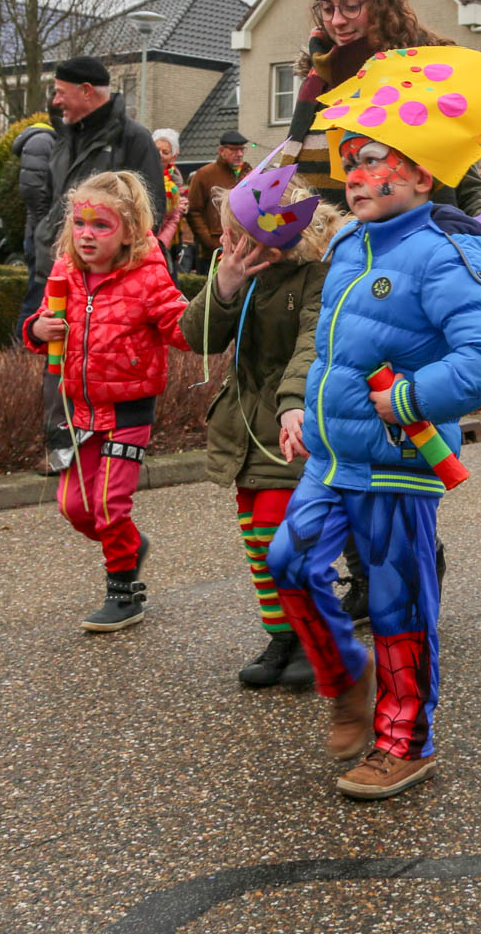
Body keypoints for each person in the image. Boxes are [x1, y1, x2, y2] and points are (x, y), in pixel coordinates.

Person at [264, 45, 481, 802]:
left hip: (397, 464)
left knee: (397, 606)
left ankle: (405, 742)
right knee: (288, 564)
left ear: (421, 175)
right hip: (332, 457)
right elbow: (328, 345)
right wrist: (301, 406)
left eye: (375, 161)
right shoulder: (348, 243)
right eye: (350, 161)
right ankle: (347, 678)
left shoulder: (442, 254)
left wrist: (409, 400)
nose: (356, 175)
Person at [178, 167, 341, 689]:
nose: (228, 241)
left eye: (237, 232)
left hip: (291, 429)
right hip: (244, 426)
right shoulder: (240, 271)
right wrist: (224, 285)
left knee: (283, 536)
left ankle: (316, 636)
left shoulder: (318, 274)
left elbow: (314, 344)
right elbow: (199, 338)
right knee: (256, 539)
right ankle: (283, 635)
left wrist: (294, 403)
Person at [22, 171, 190, 632]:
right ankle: (130, 546)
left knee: (109, 505)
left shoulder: (149, 276)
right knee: (75, 508)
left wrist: (219, 304)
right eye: (80, 223)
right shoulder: (65, 272)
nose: (86, 235)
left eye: (101, 225)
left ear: (129, 231)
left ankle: (123, 592)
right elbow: (42, 323)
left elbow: (182, 329)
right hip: (78, 411)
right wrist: (37, 329)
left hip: (128, 410)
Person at [274, 0, 481, 240]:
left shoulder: (415, 79)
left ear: (382, 3)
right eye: (327, 8)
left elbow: (464, 180)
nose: (337, 21)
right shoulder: (317, 79)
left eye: (351, 5)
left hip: (403, 250)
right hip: (318, 256)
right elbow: (291, 181)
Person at [35, 56, 165, 473]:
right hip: (62, 270)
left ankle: (105, 453)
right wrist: (39, 243)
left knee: (104, 359)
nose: (56, 101)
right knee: (60, 356)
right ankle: (63, 452)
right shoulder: (65, 136)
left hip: (114, 285)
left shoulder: (133, 139)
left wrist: (123, 270)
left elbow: (150, 214)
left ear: (87, 91)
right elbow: (52, 202)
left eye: (61, 92)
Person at [13, 102, 59, 326]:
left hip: (43, 231)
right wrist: (45, 229)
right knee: (38, 296)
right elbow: (34, 192)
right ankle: (21, 341)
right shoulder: (42, 141)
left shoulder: (49, 141)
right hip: (42, 235)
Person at [185, 129, 250, 256]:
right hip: (215, 248)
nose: (240, 154)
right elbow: (193, 211)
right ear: (221, 150)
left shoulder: (248, 173)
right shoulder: (204, 174)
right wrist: (209, 242)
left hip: (243, 246)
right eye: (234, 150)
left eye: (242, 149)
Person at [151, 128, 193, 272]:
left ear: (174, 156)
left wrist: (161, 243)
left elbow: (175, 216)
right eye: (156, 150)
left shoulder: (176, 180)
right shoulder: (144, 173)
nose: (160, 155)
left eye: (165, 152)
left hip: (167, 243)